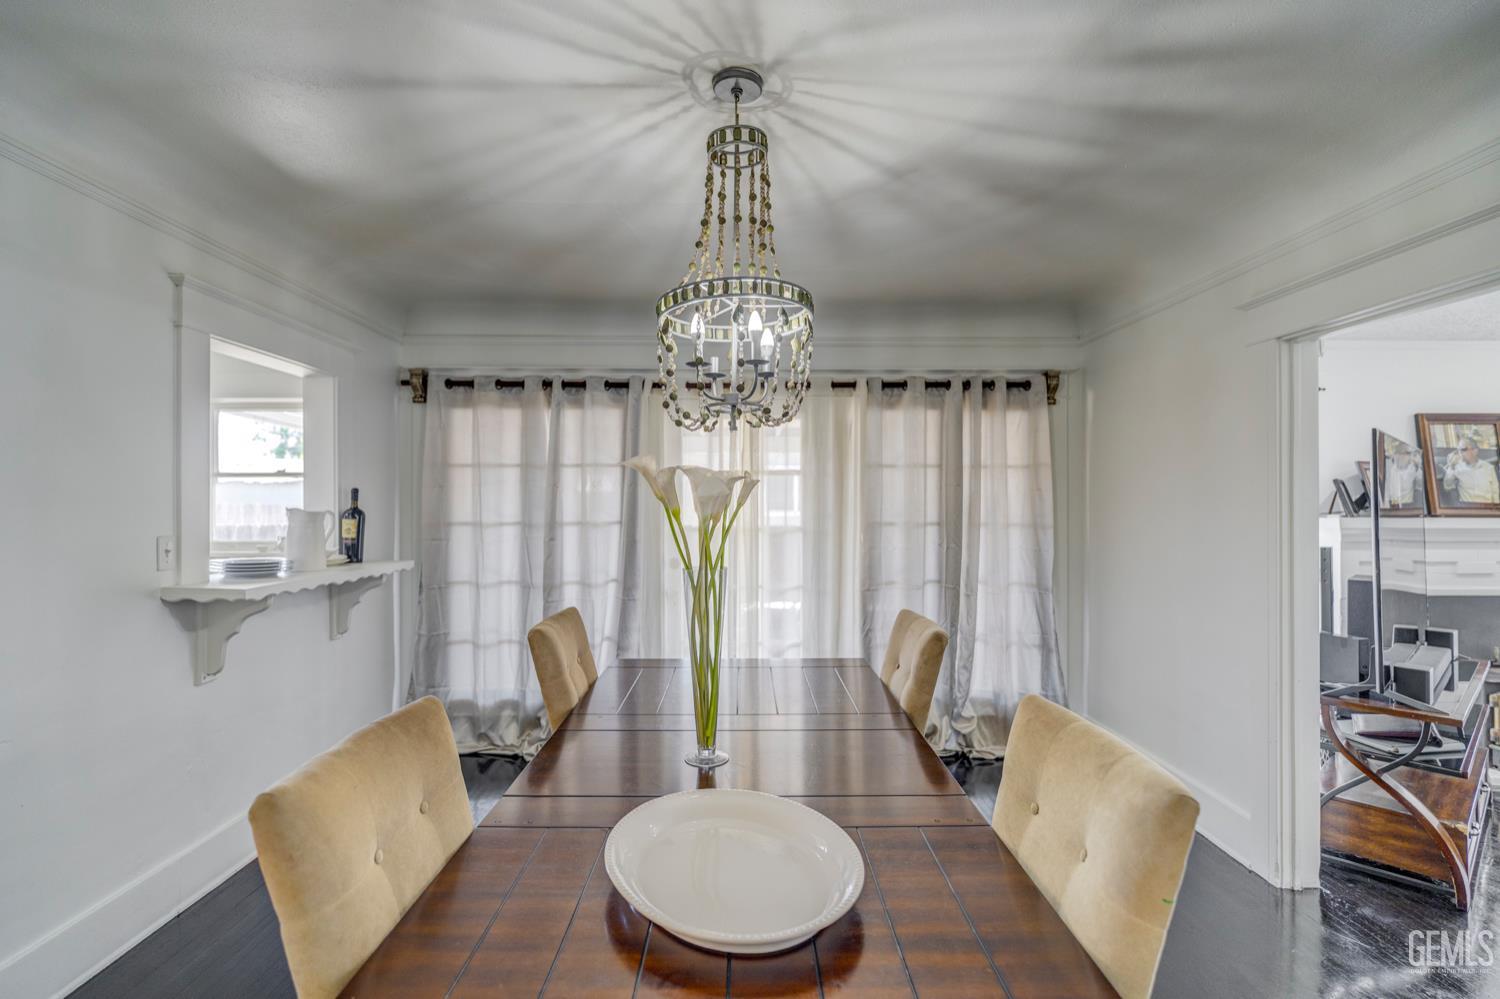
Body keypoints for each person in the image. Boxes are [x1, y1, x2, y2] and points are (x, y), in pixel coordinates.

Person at [1442, 435, 1500, 505]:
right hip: (1469, 510)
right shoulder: (1457, 468)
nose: (1459, 453)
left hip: (1487, 508)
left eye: (1463, 450)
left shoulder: (1489, 468)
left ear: (1475, 451)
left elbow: (1495, 493)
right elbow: (1447, 486)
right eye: (1458, 450)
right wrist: (1451, 466)